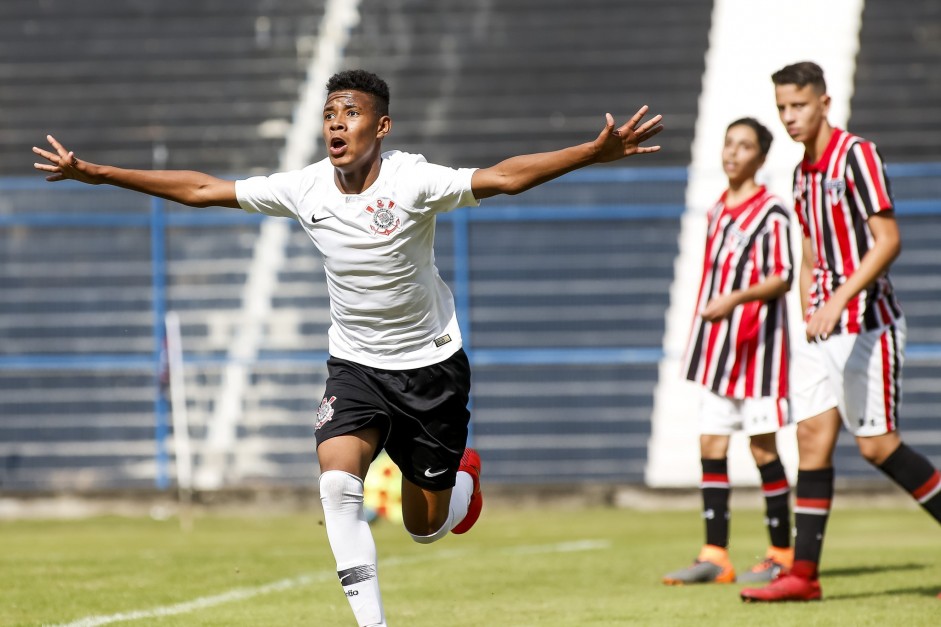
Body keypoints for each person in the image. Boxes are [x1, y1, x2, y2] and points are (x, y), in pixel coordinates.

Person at [33, 69, 664, 626]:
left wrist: (591, 151)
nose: (336, 124)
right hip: (355, 366)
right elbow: (204, 190)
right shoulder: (306, 188)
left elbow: (500, 178)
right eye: (329, 115)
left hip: (430, 369)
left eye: (350, 113)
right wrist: (96, 173)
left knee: (423, 528)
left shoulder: (414, 181)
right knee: (338, 486)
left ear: (381, 125)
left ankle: (462, 485)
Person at [740, 61, 941, 603]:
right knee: (812, 441)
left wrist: (838, 300)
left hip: (867, 325)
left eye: (798, 105)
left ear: (824, 103)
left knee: (877, 447)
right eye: (782, 107)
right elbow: (808, 249)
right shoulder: (801, 173)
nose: (789, 117)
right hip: (821, 327)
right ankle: (803, 576)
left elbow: (887, 239)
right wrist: (810, 306)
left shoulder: (857, 155)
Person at [662, 118, 794, 586]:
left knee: (762, 449)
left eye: (744, 146)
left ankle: (782, 552)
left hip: (758, 352)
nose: (733, 153)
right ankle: (715, 554)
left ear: (761, 157)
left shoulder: (773, 212)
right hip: (718, 352)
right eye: (728, 143)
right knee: (711, 444)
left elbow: (782, 276)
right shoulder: (718, 207)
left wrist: (735, 299)